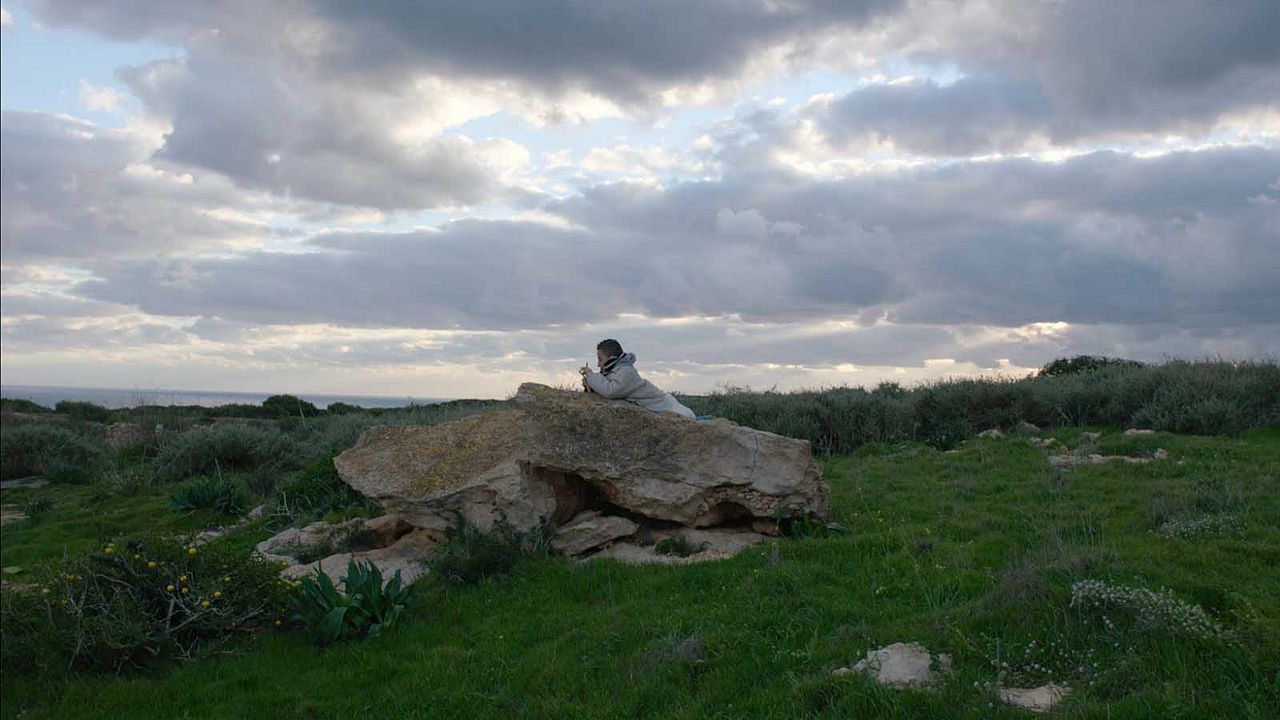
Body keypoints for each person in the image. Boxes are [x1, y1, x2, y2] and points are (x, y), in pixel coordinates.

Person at [579, 339, 695, 419]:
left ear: (612, 358)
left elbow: (611, 391)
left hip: (665, 406)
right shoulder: (616, 370)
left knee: (687, 418)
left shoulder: (627, 372)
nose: (599, 364)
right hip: (657, 406)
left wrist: (591, 376)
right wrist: (590, 385)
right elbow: (607, 385)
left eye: (600, 359)